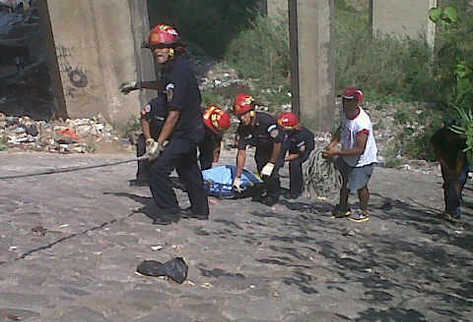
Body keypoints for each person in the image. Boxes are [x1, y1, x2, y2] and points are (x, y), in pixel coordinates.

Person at [130, 24, 209, 222]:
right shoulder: (173, 68)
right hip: (190, 129)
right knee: (188, 168)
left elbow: (174, 113)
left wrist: (158, 143)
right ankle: (200, 209)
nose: (157, 52)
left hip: (186, 131)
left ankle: (169, 211)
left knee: (157, 169)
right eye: (154, 48)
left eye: (161, 47)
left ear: (173, 48)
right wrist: (139, 85)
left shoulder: (179, 72)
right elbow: (164, 86)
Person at [323, 88, 377, 222]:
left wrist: (336, 152)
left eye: (349, 101)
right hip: (347, 155)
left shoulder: (361, 123)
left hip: (362, 160)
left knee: (360, 185)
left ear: (357, 102)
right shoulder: (344, 113)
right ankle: (343, 207)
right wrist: (333, 143)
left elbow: (359, 149)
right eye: (344, 100)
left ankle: (363, 211)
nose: (345, 103)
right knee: (344, 181)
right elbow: (342, 128)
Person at [232, 93, 283, 206]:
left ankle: (274, 194)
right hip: (261, 145)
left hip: (276, 145)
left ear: (251, 112)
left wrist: (271, 163)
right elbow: (241, 153)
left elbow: (277, 142)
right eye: (239, 116)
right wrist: (238, 177)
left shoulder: (267, 121)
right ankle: (265, 187)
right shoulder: (242, 128)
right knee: (260, 166)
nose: (241, 118)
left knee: (272, 170)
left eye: (243, 115)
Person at [431, 126, 469, 223]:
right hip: (447, 160)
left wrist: (456, 173)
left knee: (456, 185)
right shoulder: (438, 137)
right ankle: (449, 211)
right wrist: (447, 168)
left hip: (461, 164)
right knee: (448, 184)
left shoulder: (462, 139)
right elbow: (438, 154)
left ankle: (455, 214)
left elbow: (461, 157)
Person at [278, 112, 315, 199]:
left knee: (294, 164)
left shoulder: (302, 135)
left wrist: (285, 159)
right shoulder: (287, 133)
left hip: (303, 150)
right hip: (292, 145)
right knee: (276, 161)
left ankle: (296, 191)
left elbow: (299, 154)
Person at [200, 104, 231, 170]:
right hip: (187, 130)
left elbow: (217, 140)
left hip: (206, 137)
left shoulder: (219, 120)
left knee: (207, 154)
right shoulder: (194, 116)